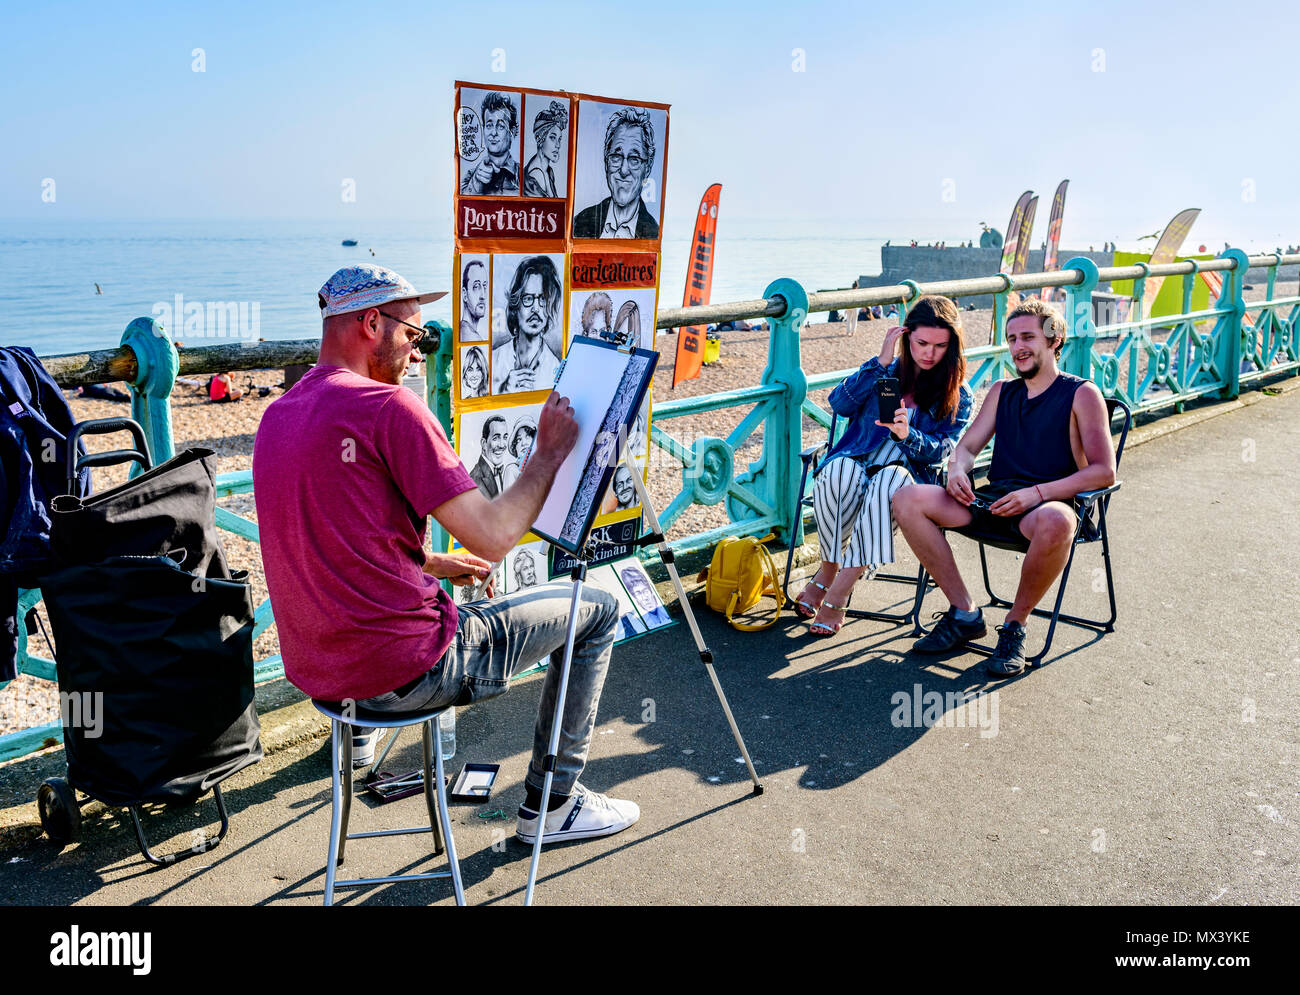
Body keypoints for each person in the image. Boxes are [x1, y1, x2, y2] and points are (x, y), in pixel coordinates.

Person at [253, 264, 638, 846]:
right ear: (370, 323)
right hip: (410, 668)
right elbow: (493, 535)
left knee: (503, 601)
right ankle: (554, 805)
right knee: (599, 608)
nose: (416, 353)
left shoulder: (278, 418)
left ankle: (366, 739)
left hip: (325, 679)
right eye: (414, 335)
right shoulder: (390, 409)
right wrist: (548, 452)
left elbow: (327, 537)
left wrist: (429, 563)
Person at [891, 298, 1116, 677]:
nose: (1018, 347)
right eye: (1012, 339)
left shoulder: (1081, 393)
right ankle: (964, 613)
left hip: (1051, 505)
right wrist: (957, 470)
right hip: (995, 501)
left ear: (1054, 338)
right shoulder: (1001, 391)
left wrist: (1039, 493)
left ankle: (1015, 626)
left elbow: (1104, 472)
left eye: (1028, 337)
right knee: (908, 497)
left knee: (1057, 522)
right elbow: (965, 448)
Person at [795, 296, 974, 637]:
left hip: (909, 482)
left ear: (951, 347)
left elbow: (942, 452)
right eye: (921, 342)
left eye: (940, 346)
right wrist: (880, 360)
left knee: (890, 479)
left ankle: (838, 591)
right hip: (859, 466)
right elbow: (839, 404)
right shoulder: (885, 371)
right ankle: (830, 569)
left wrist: (909, 436)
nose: (929, 353)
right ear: (907, 337)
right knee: (837, 470)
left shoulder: (958, 393)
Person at [572, 107, 659, 239]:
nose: (624, 170)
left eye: (634, 159)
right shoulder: (579, 223)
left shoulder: (653, 233)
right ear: (606, 160)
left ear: (647, 167)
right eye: (616, 156)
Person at [492, 256, 563, 394]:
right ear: (516, 305)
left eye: (543, 299)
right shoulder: (494, 360)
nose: (536, 308)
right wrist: (503, 391)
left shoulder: (556, 369)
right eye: (528, 298)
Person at [461, 92, 519, 195]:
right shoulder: (470, 177)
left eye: (501, 126)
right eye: (489, 125)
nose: (493, 133)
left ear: (512, 132)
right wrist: (477, 181)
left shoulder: (525, 177)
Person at [523, 100, 567, 198]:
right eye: (552, 137)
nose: (558, 145)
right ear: (540, 139)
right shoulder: (536, 175)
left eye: (559, 139)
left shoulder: (548, 171)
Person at [468, 414, 510, 498]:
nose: (502, 445)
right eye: (496, 438)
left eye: (505, 437)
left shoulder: (505, 472)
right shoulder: (475, 480)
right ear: (484, 443)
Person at [500, 413, 537, 489]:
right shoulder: (512, 470)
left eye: (528, 436)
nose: (523, 443)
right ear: (515, 447)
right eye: (519, 439)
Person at [459, 260, 488, 341]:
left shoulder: (467, 331)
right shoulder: (470, 336)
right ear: (464, 294)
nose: (483, 296)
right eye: (476, 286)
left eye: (484, 286)